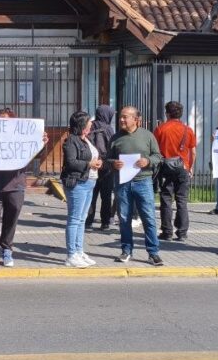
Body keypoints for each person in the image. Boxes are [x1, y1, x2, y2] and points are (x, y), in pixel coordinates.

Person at [0, 108, 50, 268]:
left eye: (6, 120)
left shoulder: (21, 137)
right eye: (0, 120)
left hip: (15, 185)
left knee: (11, 219)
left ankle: (7, 249)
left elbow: (37, 154)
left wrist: (42, 143)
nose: (3, 123)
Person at [108, 106, 163, 265]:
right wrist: (113, 163)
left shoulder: (148, 136)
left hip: (143, 182)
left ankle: (153, 253)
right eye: (121, 117)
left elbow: (158, 156)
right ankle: (126, 251)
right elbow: (107, 159)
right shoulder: (115, 138)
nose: (121, 120)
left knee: (148, 217)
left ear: (136, 119)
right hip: (122, 183)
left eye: (125, 117)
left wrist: (148, 161)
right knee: (124, 218)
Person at [60, 111, 101, 267]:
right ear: (82, 124)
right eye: (89, 122)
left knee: (82, 219)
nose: (91, 124)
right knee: (74, 219)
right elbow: (71, 162)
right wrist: (89, 164)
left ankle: (79, 250)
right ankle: (71, 255)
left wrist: (98, 162)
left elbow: (91, 156)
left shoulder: (86, 139)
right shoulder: (71, 140)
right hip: (77, 183)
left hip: (89, 181)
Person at [153, 101, 196, 241]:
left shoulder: (160, 129)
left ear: (167, 113)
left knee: (166, 198)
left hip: (166, 167)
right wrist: (190, 167)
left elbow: (154, 149)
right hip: (183, 167)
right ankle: (182, 232)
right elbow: (193, 152)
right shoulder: (188, 130)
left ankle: (167, 232)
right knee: (182, 200)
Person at [85, 104, 116, 231]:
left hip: (92, 165)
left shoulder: (90, 126)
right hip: (106, 166)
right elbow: (112, 147)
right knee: (106, 195)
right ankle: (105, 222)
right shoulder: (109, 129)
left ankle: (88, 221)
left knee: (91, 195)